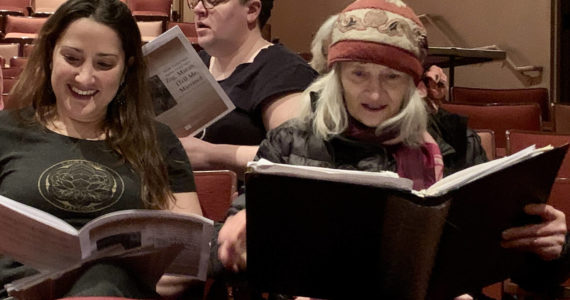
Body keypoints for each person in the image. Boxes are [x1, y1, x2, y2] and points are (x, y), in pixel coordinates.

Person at [216, 0, 569, 298]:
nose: (374, 94)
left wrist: (552, 251)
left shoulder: (456, 146)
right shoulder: (289, 141)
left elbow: (530, 277)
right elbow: (230, 264)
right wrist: (238, 247)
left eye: (392, 77)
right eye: (359, 74)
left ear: (414, 83)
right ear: (336, 76)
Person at [0, 0, 202, 298]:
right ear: (50, 55)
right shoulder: (6, 130)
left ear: (126, 70)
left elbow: (187, 260)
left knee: (104, 275)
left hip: (116, 292)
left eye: (104, 64)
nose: (84, 77)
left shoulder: (158, 140)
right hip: (15, 291)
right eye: (72, 58)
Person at [180, 0, 318, 178]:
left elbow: (295, 156)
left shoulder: (284, 71)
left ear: (252, 10)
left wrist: (211, 155)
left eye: (212, 1)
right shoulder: (194, 63)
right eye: (195, 1)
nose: (199, 9)